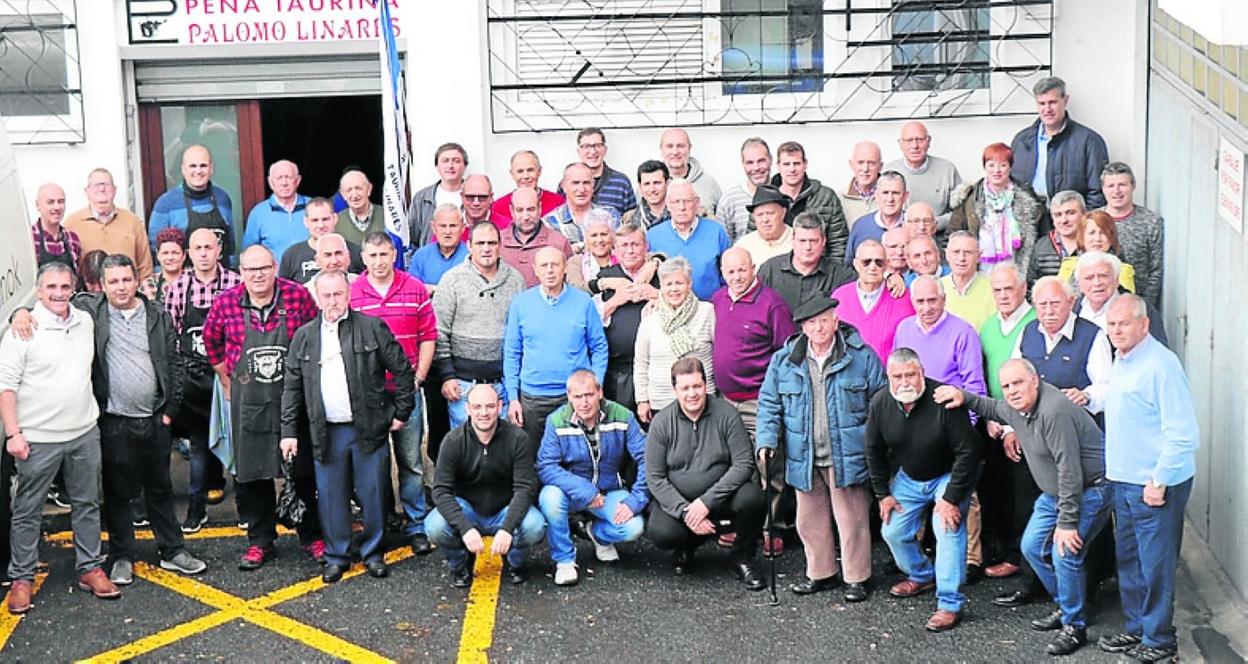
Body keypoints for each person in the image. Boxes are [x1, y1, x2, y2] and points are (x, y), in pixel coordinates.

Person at [7, 255, 208, 584]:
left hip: (155, 418)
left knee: (160, 489)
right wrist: (20, 312)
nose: (121, 287)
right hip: (113, 420)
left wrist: (170, 411)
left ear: (136, 280)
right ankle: (122, 556)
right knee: (117, 494)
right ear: (101, 285)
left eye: (126, 279)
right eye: (113, 281)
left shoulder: (157, 314)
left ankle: (173, 550)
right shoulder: (91, 311)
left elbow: (174, 362)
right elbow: (52, 301)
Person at [933, 359, 1111, 656]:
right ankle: (1066, 604)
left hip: (1091, 488)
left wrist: (1067, 523)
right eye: (1006, 386)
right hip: (1055, 493)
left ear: (1035, 381)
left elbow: (1070, 470)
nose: (1012, 391)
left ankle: (1074, 625)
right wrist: (963, 396)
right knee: (1031, 547)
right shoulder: (1016, 407)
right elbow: (992, 407)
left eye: (1018, 383)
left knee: (1065, 552)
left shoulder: (1054, 411)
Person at [282, 270, 416, 582]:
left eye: (338, 294)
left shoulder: (372, 328)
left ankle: (373, 553)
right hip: (326, 431)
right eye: (326, 295)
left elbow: (402, 370)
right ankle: (336, 556)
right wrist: (288, 431)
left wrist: (402, 412)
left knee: (373, 494)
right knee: (331, 497)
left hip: (368, 428)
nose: (333, 301)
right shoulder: (304, 337)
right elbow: (291, 388)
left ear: (349, 294)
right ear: (317, 298)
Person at [1, 263, 118, 613]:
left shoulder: (84, 320)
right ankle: (22, 578)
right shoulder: (23, 329)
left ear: (74, 288)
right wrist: (14, 434)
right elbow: (6, 388)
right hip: (38, 439)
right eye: (51, 287)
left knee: (87, 503)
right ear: (38, 291)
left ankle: (90, 568)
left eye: (65, 286)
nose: (58, 293)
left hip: (83, 432)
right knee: (28, 510)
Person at [756, 295, 886, 602]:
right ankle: (821, 573)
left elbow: (880, 403)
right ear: (803, 327)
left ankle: (857, 578)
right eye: (812, 323)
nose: (819, 328)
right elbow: (769, 404)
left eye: (824, 321)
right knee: (809, 521)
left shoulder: (861, 356)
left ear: (836, 322)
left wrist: (877, 446)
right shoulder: (785, 360)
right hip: (804, 454)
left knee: (852, 520)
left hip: (847, 453)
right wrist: (766, 440)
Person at [202, 245, 324, 570]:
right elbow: (211, 341)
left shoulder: (297, 297)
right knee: (251, 474)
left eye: (264, 268)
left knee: (302, 470)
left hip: (292, 398)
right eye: (251, 269)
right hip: (248, 402)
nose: (258, 275)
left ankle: (311, 535)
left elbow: (316, 337)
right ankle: (260, 541)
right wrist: (226, 379)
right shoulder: (226, 303)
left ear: (274, 268)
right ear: (241, 272)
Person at [1098, 295, 1199, 663]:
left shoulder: (1161, 365)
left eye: (1124, 324)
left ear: (1144, 325)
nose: (1116, 331)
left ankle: (1159, 641)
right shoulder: (1123, 359)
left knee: (1155, 564)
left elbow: (1183, 433)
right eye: (1111, 324)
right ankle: (1138, 629)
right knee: (1130, 561)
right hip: (1125, 480)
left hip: (1154, 484)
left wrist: (1160, 480)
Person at [865, 348, 980, 632]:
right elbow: (874, 450)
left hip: (947, 475)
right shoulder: (881, 402)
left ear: (922, 374)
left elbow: (969, 451)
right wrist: (883, 494)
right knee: (892, 530)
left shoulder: (944, 399)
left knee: (947, 528)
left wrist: (951, 498)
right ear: (888, 378)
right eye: (898, 377)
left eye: (911, 375)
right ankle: (922, 574)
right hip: (910, 477)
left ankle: (950, 604)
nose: (905, 382)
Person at [351, 232, 438, 556]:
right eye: (372, 256)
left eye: (384, 255)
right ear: (363, 258)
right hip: (369, 395)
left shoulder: (414, 288)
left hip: (406, 391)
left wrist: (419, 378)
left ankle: (416, 525)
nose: (378, 262)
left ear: (394, 256)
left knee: (411, 462)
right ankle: (383, 521)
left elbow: (428, 336)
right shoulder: (353, 293)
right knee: (374, 464)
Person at [645, 357, 766, 589]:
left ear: (706, 385)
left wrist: (706, 502)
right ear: (675, 390)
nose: (692, 394)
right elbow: (655, 477)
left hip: (722, 496)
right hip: (681, 499)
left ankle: (743, 558)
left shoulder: (726, 414)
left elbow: (743, 463)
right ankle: (686, 547)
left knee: (754, 498)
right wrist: (685, 512)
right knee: (661, 532)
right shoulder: (661, 423)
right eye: (685, 388)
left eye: (697, 386)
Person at [712, 248, 794, 552]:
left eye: (741, 270)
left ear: (753, 268)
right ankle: (740, 525)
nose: (736, 277)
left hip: (758, 400)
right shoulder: (718, 300)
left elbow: (787, 354)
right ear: (723, 273)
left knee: (768, 464)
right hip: (725, 399)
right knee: (734, 465)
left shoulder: (772, 304)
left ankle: (773, 527)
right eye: (730, 271)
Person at [425, 384, 547, 588]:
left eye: (490, 406)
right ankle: (460, 564)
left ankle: (515, 561)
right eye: (477, 407)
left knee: (535, 525)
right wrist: (465, 528)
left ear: (500, 407)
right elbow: (441, 490)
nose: (484, 413)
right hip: (468, 510)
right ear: (468, 409)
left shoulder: (518, 439)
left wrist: (507, 529)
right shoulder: (453, 441)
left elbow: (525, 488)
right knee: (434, 526)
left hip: (505, 509)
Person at [537, 371, 648, 586]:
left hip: (608, 491)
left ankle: (598, 535)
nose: (584, 402)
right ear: (569, 397)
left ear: (600, 392)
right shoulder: (556, 421)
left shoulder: (623, 416)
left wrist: (636, 500)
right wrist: (585, 490)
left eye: (589, 394)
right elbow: (546, 466)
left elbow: (646, 459)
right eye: (578, 396)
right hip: (572, 492)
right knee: (549, 498)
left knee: (633, 527)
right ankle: (564, 560)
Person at [163, 228, 240, 532]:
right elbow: (172, 336)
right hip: (193, 377)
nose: (204, 253)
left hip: (230, 374)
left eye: (209, 247)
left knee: (237, 441)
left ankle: (246, 506)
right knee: (198, 446)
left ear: (219, 250)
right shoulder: (178, 288)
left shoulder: (235, 283)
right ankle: (196, 508)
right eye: (198, 248)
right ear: (189, 254)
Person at [504, 247, 608, 448]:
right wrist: (513, 397)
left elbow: (599, 347)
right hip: (532, 398)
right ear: (535, 269)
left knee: (577, 455)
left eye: (555, 265)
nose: (550, 270)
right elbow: (512, 353)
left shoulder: (583, 302)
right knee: (533, 456)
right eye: (544, 265)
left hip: (575, 397)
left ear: (565, 268)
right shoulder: (521, 304)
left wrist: (596, 384)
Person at [976, 262, 1037, 595]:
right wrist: (990, 417)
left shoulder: (1033, 324)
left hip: (1022, 423)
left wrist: (1012, 424)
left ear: (1023, 288)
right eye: (996, 289)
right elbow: (985, 376)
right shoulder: (988, 326)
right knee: (996, 489)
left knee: (1022, 494)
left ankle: (1022, 558)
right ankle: (1002, 550)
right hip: (994, 420)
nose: (1002, 295)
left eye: (1008, 288)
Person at [432, 222, 526, 436]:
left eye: (491, 243)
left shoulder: (516, 281)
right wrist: (447, 375)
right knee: (465, 447)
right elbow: (438, 331)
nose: (486, 249)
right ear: (469, 246)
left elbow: (523, 333)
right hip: (463, 385)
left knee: (502, 447)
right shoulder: (452, 280)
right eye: (480, 243)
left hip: (503, 385)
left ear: (500, 246)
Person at [634, 257, 716, 423]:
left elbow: (719, 352)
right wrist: (642, 400)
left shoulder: (707, 311)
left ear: (689, 284)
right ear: (661, 287)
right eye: (668, 284)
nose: (674, 289)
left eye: (679, 283)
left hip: (702, 399)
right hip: (662, 400)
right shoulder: (650, 317)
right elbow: (641, 362)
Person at [591, 222, 661, 410]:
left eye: (635, 244)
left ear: (646, 247)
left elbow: (683, 304)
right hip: (617, 372)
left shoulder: (661, 275)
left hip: (655, 369)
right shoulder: (605, 278)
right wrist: (616, 300)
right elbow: (591, 322)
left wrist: (657, 294)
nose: (630, 251)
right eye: (624, 245)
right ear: (615, 249)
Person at [1009, 76, 1109, 208]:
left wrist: (1084, 220)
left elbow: (1098, 194)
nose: (1047, 109)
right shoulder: (1021, 141)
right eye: (1042, 103)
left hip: (1070, 219)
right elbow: (1010, 187)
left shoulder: (1090, 142)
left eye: (1052, 102)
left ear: (1065, 100)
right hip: (1028, 219)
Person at [948, 143, 1043, 274]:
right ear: (984, 167)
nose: (996, 170)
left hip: (1016, 269)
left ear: (1010, 167)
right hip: (980, 270)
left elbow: (1041, 235)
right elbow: (953, 234)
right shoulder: (970, 197)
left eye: (1002, 165)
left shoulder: (1027, 197)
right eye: (991, 165)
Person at [645, 179, 731, 300]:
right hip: (668, 308)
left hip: (710, 306)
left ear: (697, 203)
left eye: (687, 201)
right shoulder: (653, 236)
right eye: (676, 202)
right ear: (668, 205)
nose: (682, 207)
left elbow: (729, 275)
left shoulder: (716, 232)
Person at [64, 168, 155, 283]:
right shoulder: (72, 224)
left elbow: (145, 266)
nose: (102, 189)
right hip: (89, 292)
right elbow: (67, 269)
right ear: (87, 191)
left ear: (115, 190)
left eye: (106, 185)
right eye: (96, 185)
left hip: (127, 291)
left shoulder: (132, 221)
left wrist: (144, 290)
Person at [831, 240, 916, 362]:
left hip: (890, 371)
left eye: (879, 262)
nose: (872, 267)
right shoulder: (839, 297)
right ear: (855, 264)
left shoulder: (903, 298)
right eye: (866, 262)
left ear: (886, 265)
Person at [148, 145, 234, 264]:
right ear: (183, 170)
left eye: (203, 166)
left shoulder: (222, 198)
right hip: (182, 275)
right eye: (193, 166)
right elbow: (155, 250)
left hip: (221, 273)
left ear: (211, 168)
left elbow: (230, 246)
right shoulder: (166, 204)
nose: (198, 171)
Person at [757, 214, 857, 313]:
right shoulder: (769, 270)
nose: (807, 247)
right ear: (793, 240)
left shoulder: (842, 276)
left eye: (813, 241)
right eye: (802, 241)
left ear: (823, 241)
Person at [1099, 162, 1163, 309]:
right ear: (1103, 189)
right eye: (1111, 186)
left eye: (1122, 185)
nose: (1116, 191)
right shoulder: (1093, 220)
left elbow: (1155, 270)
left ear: (1133, 186)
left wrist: (1144, 305)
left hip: (1137, 305)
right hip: (1098, 305)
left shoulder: (1150, 221)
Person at [772, 141, 849, 261]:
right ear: (778, 166)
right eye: (786, 164)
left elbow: (839, 243)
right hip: (776, 269)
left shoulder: (826, 197)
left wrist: (832, 272)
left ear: (805, 164)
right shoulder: (766, 198)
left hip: (820, 269)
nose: (792, 169)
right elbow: (754, 241)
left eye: (796, 163)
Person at [1073, 252, 1167, 344]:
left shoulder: (1140, 308)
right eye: (1089, 278)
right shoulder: (1071, 309)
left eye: (1103, 276)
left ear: (1117, 280)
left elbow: (1158, 349)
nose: (1097, 283)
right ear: (1079, 283)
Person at [885, 122, 963, 231]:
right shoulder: (888, 172)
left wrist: (933, 224)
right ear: (900, 144)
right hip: (900, 236)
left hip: (939, 237)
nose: (915, 146)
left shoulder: (947, 170)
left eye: (920, 140)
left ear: (929, 141)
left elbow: (961, 212)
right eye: (909, 140)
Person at [279, 198, 365, 284]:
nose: (321, 225)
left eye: (325, 219)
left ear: (335, 218)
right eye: (315, 220)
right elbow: (282, 288)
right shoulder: (292, 255)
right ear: (305, 222)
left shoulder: (355, 252)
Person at [501, 186, 573, 288]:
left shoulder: (559, 243)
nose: (526, 216)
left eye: (531, 209)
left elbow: (569, 285)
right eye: (520, 210)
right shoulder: (496, 242)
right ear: (511, 210)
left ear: (539, 208)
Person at [242, 160, 310, 261]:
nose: (284, 183)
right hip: (275, 271)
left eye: (288, 177)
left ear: (298, 180)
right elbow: (249, 252)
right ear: (270, 182)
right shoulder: (258, 213)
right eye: (279, 178)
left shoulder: (312, 207)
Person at [544, 163, 619, 251]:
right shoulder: (551, 221)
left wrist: (576, 248)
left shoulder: (610, 215)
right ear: (563, 186)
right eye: (575, 183)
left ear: (593, 185)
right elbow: (552, 254)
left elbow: (619, 248)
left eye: (586, 183)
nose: (582, 189)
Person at [1058, 210, 1137, 291]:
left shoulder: (1123, 269)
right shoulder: (1068, 265)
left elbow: (1126, 298)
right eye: (1092, 233)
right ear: (1082, 237)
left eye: (1103, 233)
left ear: (1111, 237)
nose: (1097, 238)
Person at [409, 142, 468, 248]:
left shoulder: (473, 197)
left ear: (464, 166)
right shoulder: (422, 198)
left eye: (456, 161)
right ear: (437, 166)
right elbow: (412, 238)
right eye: (445, 161)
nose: (450, 166)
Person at [715, 137, 773, 242]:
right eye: (750, 163)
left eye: (761, 161)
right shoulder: (729, 200)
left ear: (771, 160)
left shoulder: (783, 194)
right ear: (743, 164)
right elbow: (723, 245)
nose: (756, 167)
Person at [490, 150, 565, 228]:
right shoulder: (498, 208)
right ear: (512, 174)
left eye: (530, 170)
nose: (526, 176)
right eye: (520, 171)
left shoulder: (558, 202)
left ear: (539, 171)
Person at [845, 171, 908, 263]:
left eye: (895, 193)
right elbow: (849, 265)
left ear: (905, 196)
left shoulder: (914, 225)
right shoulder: (861, 226)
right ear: (876, 195)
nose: (890, 199)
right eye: (885, 193)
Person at [574, 127, 636, 217]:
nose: (593, 151)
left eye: (597, 146)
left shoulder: (621, 183)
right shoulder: (568, 183)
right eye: (586, 146)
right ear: (579, 152)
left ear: (605, 150)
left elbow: (632, 221)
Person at [940, 231, 997, 331]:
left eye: (968, 252)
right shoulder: (937, 287)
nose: (961, 258)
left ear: (978, 257)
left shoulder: (994, 287)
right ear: (947, 255)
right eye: (956, 252)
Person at [1029, 190, 1084, 284]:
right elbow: (1030, 284)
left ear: (1084, 214)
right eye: (1058, 215)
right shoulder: (1040, 248)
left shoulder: (1096, 242)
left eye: (1070, 213)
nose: (1064, 220)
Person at [660, 128, 721, 212]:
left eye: (680, 146)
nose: (675, 152)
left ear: (689, 148)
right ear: (661, 149)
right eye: (670, 146)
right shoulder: (651, 186)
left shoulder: (709, 184)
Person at [408, 204, 468, 290]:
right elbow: (412, 289)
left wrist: (433, 289)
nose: (448, 232)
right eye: (443, 226)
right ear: (433, 227)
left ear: (462, 228)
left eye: (453, 226)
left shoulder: (471, 256)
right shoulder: (421, 256)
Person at [734, 185, 794, 267]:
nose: (765, 220)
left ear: (783, 213)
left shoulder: (798, 241)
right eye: (760, 215)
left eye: (770, 213)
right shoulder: (743, 246)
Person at [30, 182, 82, 277]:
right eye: (50, 202)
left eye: (61, 201)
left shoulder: (72, 238)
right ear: (37, 205)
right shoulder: (29, 238)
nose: (57, 207)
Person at [565, 210, 617, 296]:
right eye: (594, 235)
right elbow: (575, 289)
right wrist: (601, 285)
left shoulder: (623, 257)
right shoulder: (576, 262)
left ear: (612, 236)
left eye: (604, 234)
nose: (599, 240)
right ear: (585, 238)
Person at [838, 141, 883, 228]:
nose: (865, 169)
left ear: (880, 166)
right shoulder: (839, 199)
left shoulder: (892, 196)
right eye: (860, 162)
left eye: (871, 163)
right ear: (851, 164)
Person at [336, 170, 385, 246]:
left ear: (369, 189)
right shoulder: (336, 222)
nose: (354, 195)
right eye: (349, 190)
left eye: (358, 188)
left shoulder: (386, 216)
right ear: (343, 194)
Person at [620, 160, 670, 229]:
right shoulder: (629, 219)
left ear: (667, 184)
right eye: (647, 184)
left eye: (657, 183)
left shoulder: (679, 215)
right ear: (640, 187)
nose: (652, 189)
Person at [151, 228, 187, 300]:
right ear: (158, 255)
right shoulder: (148, 284)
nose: (170, 257)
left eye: (175, 253)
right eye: (165, 253)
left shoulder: (195, 283)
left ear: (184, 255)